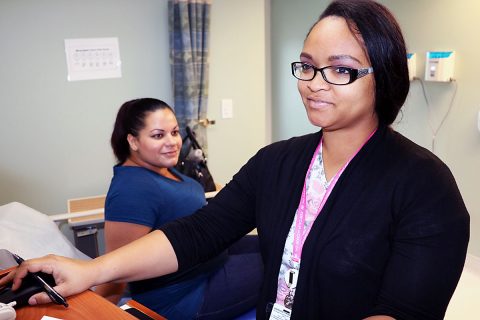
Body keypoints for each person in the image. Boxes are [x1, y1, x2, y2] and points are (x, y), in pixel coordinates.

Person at [0, 1, 469, 319]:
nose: (314, 82)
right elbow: (200, 233)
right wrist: (91, 270)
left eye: (341, 69)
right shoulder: (278, 163)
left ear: (383, 77)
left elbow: (404, 311)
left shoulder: (424, 186)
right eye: (306, 65)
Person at [86, 98, 263, 319]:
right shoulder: (131, 190)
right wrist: (96, 314)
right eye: (158, 135)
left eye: (175, 132)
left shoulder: (161, 167)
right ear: (133, 141)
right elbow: (115, 269)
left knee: (279, 240)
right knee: (286, 258)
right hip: (187, 295)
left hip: (206, 258)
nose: (172, 142)